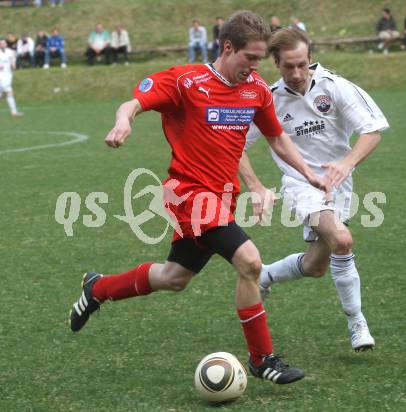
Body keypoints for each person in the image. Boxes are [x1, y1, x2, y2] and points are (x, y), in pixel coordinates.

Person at [69, 11, 329, 384]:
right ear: (228, 47)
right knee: (251, 262)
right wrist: (124, 120)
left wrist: (307, 173)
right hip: (188, 195)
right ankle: (262, 359)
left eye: (260, 60)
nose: (256, 68)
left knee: (174, 277)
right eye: (250, 58)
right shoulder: (186, 81)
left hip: (221, 200)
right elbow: (133, 103)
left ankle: (98, 287)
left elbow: (275, 137)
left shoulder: (255, 89)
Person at [240, 28, 389, 352]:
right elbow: (235, 144)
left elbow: (372, 130)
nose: (296, 73)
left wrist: (346, 163)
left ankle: (265, 276)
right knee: (342, 239)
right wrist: (254, 185)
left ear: (310, 59)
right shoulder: (269, 98)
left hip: (338, 183)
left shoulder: (336, 88)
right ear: (275, 64)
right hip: (299, 184)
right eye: (287, 67)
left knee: (314, 266)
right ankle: (357, 322)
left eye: (301, 65)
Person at [0, 38, 23, 117]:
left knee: (3, 93)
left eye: (3, 43)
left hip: (8, 75)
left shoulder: (10, 52)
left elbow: (13, 64)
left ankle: (14, 112)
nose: (2, 44)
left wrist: (13, 64)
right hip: (1, 75)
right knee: (9, 92)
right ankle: (14, 112)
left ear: (6, 44)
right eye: (0, 43)